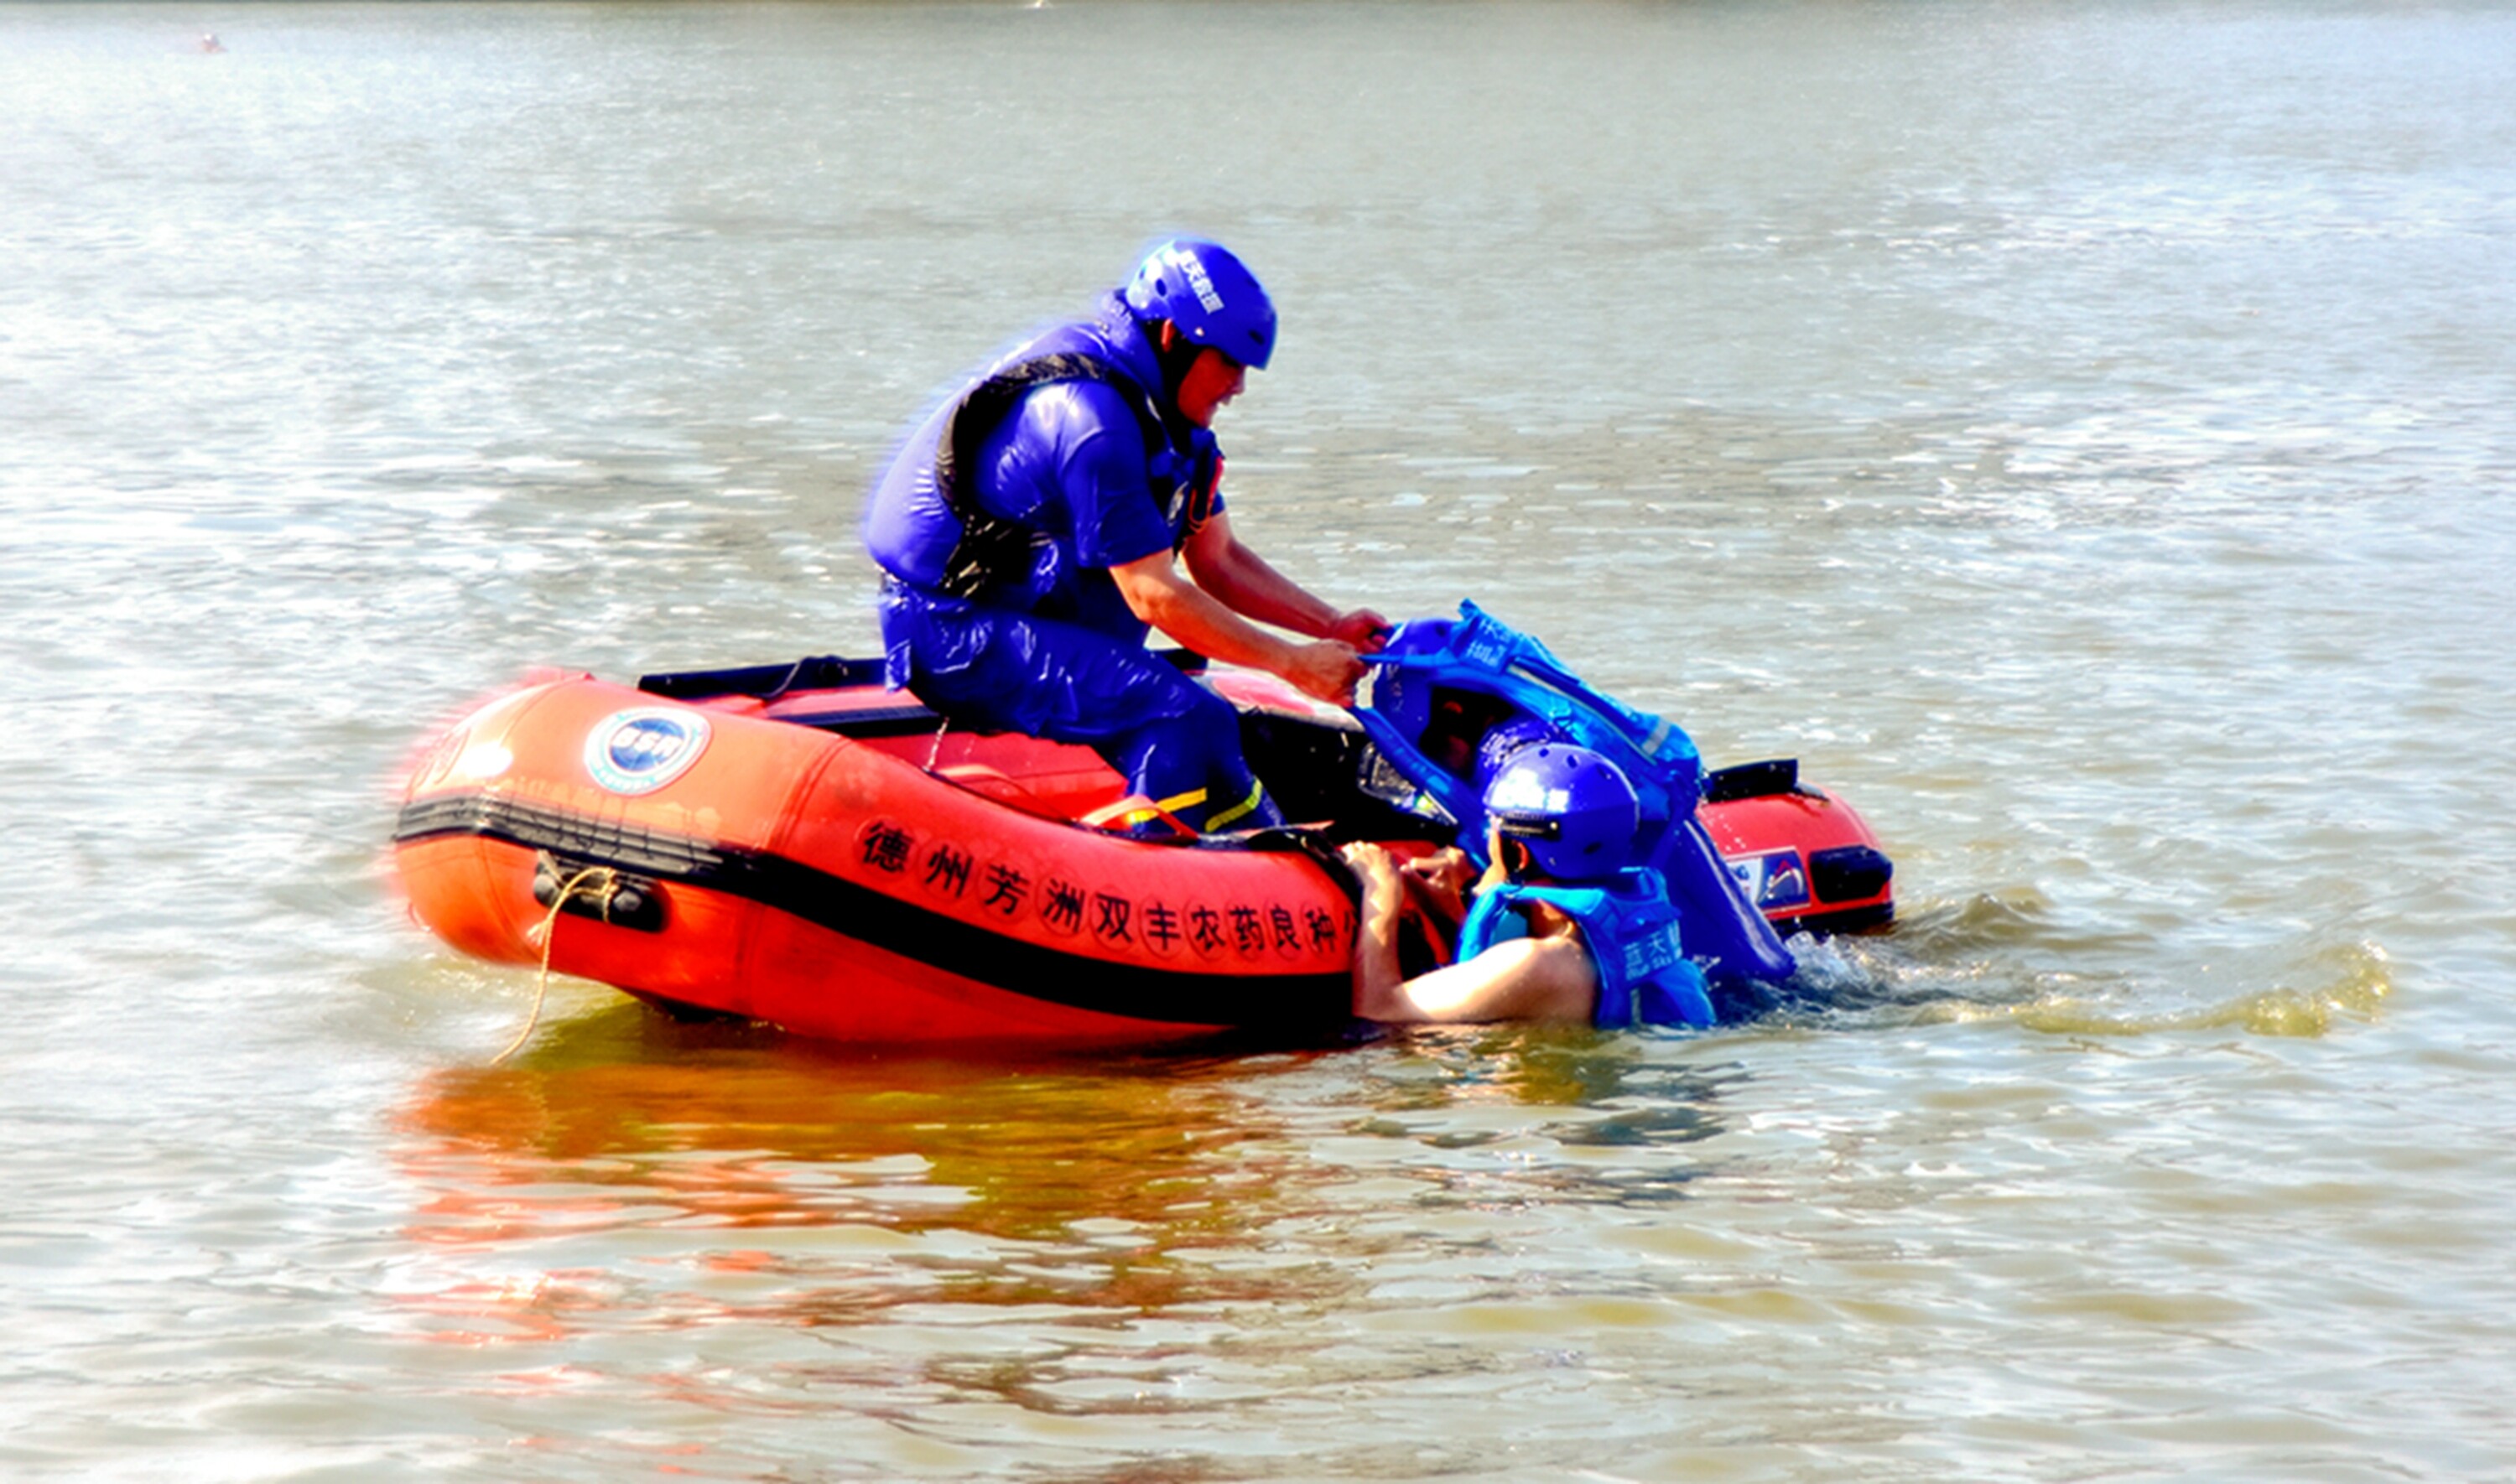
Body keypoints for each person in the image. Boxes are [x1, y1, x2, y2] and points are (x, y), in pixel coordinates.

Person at [863, 238, 1386, 834]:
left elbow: (1218, 560)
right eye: (1230, 364)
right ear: (1173, 339)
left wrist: (1329, 627)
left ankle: (1235, 841)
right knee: (1187, 717)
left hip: (1025, 608)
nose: (1239, 386)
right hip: (950, 628)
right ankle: (1159, 875)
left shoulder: (1162, 417)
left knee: (1209, 718)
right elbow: (1152, 595)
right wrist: (1291, 664)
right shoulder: (1092, 422)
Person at [1342, 745, 1715, 1027]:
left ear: (1518, 853)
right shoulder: (1630, 929)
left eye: (1493, 829)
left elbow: (1379, 1013)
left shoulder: (1535, 964)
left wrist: (1381, 895)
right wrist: (1454, 913)